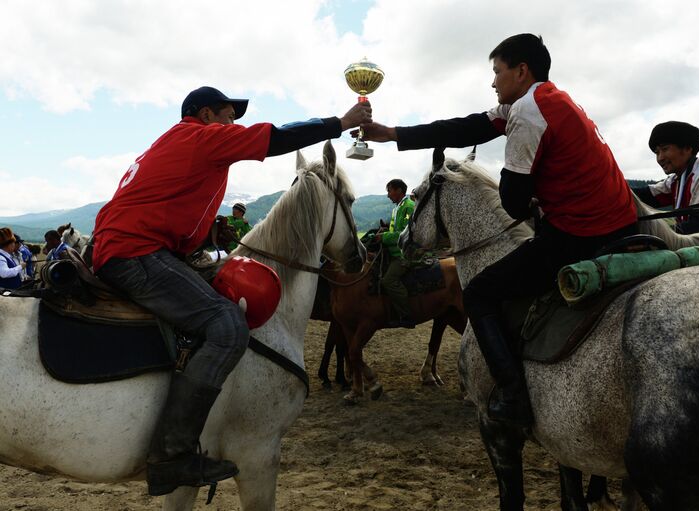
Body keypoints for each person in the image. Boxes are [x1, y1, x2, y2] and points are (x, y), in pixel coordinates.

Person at [91, 85, 371, 496]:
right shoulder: (200, 138)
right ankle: (173, 451)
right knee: (226, 325)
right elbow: (275, 136)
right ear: (205, 115)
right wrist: (342, 123)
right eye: (227, 116)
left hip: (137, 248)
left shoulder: (173, 143)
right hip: (137, 253)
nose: (232, 125)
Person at [358, 34, 638, 425]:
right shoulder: (549, 98)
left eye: (497, 72)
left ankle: (512, 394)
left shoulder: (526, 111)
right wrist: (394, 134)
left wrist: (533, 199)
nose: (493, 82)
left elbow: (512, 202)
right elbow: (467, 127)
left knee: (479, 293)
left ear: (521, 71)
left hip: (581, 233)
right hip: (621, 223)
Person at [377, 179, 416, 328]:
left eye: (389, 191)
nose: (388, 195)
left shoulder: (409, 207)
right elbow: (395, 231)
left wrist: (384, 237)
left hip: (405, 255)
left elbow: (406, 234)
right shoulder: (397, 208)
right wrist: (386, 231)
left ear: (399, 190)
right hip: (394, 251)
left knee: (388, 280)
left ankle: (407, 316)